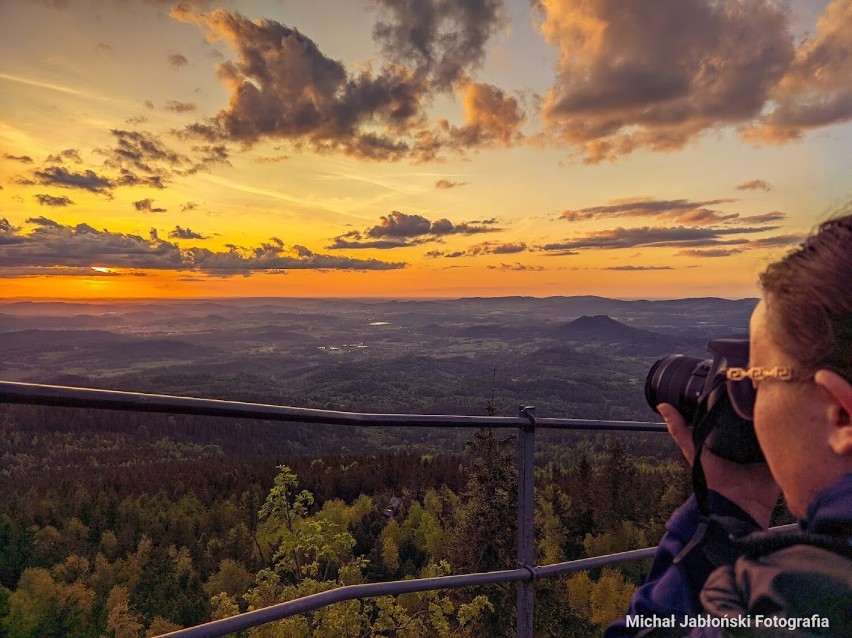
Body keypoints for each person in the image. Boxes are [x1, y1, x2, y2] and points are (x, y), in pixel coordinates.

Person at [606, 214, 852, 637]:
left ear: (840, 415)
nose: (751, 405)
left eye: (757, 380)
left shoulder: (791, 603)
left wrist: (722, 513)